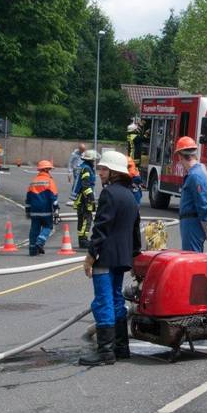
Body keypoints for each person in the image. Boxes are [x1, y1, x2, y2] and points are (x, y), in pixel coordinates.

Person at [79, 151, 141, 366]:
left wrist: (90, 255)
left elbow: (101, 228)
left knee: (103, 301)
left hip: (105, 257)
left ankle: (105, 351)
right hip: (122, 258)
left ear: (114, 172)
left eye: (104, 169)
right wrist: (134, 255)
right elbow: (135, 229)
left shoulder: (109, 194)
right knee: (116, 300)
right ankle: (121, 347)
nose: (100, 172)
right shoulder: (130, 196)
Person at [175, 136, 207, 252]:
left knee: (192, 257)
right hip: (191, 222)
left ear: (180, 156)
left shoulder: (195, 175)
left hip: (192, 224)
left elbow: (203, 203)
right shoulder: (197, 173)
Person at [25, 160, 60, 256]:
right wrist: (56, 210)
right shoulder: (50, 181)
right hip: (46, 210)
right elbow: (53, 197)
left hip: (34, 211)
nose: (50, 171)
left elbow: (28, 198)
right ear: (46, 169)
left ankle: (32, 249)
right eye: (49, 169)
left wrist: (27, 211)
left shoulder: (33, 181)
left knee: (34, 229)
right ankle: (40, 242)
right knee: (48, 226)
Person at [73, 149, 99, 248]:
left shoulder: (83, 167)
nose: (94, 161)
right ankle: (83, 240)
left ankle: (82, 239)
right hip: (85, 198)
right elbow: (86, 185)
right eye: (94, 160)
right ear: (91, 160)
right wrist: (91, 198)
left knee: (82, 219)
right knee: (86, 219)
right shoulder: (87, 169)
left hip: (81, 197)